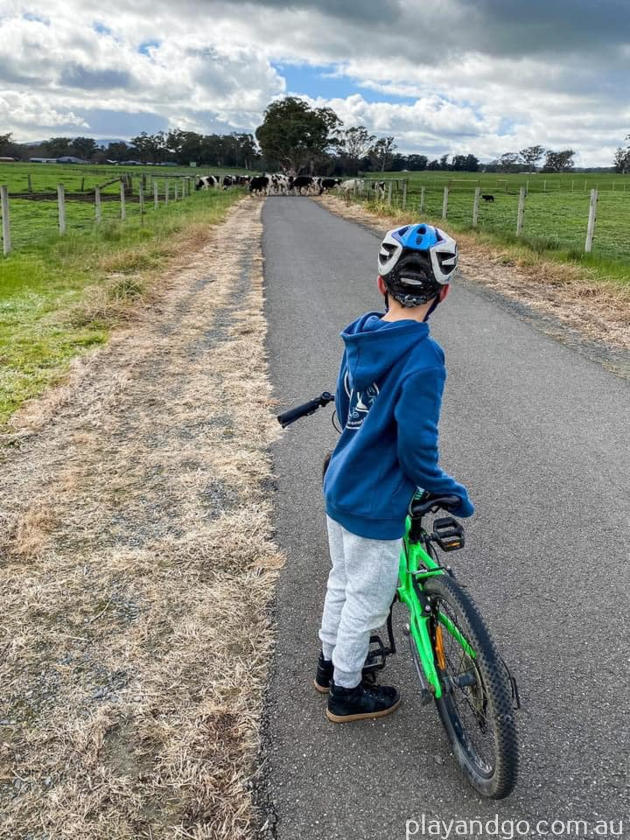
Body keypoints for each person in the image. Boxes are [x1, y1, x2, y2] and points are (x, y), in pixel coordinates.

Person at [315, 222, 474, 723]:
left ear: (381, 283)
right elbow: (415, 450)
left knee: (342, 581)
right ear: (443, 292)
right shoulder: (424, 357)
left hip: (341, 482)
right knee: (368, 598)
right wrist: (450, 491)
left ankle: (328, 666)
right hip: (377, 500)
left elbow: (345, 412)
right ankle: (347, 691)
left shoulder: (360, 334)